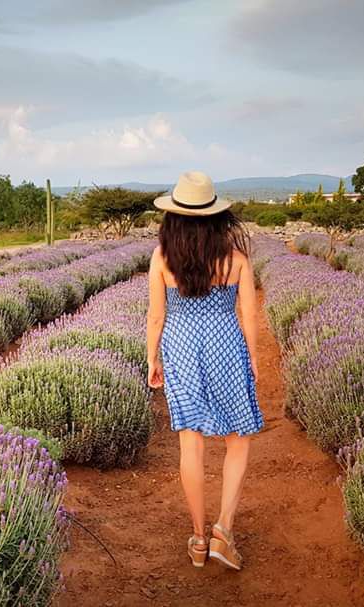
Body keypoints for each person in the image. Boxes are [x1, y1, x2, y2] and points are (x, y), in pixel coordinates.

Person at [146, 170, 263, 571]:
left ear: (174, 217)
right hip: (226, 347)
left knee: (190, 445)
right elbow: (249, 314)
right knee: (238, 439)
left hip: (180, 347)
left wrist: (153, 359)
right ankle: (223, 530)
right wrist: (252, 359)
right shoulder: (236, 260)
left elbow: (156, 317)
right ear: (216, 216)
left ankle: (198, 538)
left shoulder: (162, 258)